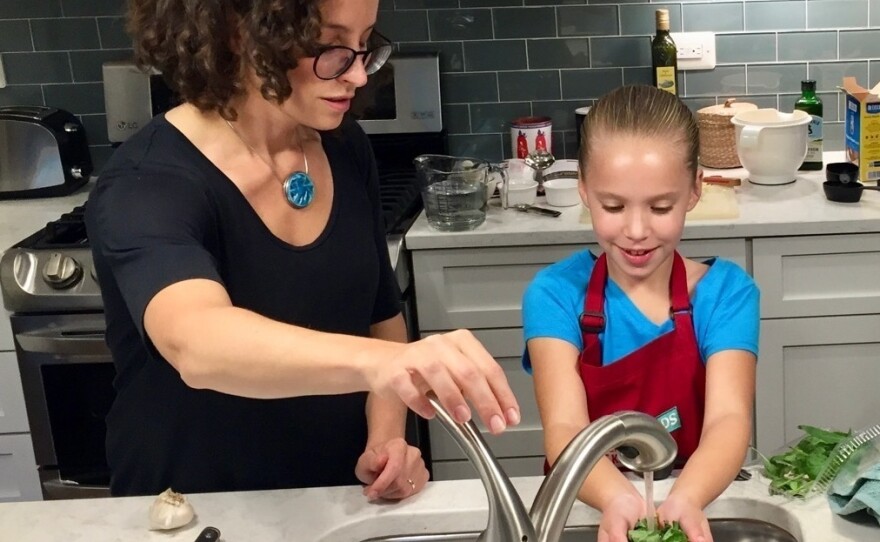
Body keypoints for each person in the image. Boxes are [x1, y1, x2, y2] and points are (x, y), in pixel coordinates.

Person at [85, 0, 520, 498]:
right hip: (196, 508)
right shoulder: (149, 181)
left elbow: (381, 319)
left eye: (364, 44)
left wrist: (386, 438)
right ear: (237, 33)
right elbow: (195, 341)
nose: (357, 74)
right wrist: (381, 365)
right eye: (329, 46)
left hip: (335, 499)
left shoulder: (343, 146)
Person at [522, 85, 759, 542]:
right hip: (589, 506)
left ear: (695, 190)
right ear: (584, 191)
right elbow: (565, 427)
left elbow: (729, 420)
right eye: (613, 206)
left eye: (660, 207)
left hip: (690, 504)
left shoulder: (727, 294)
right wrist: (620, 500)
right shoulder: (554, 294)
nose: (635, 231)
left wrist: (684, 499)